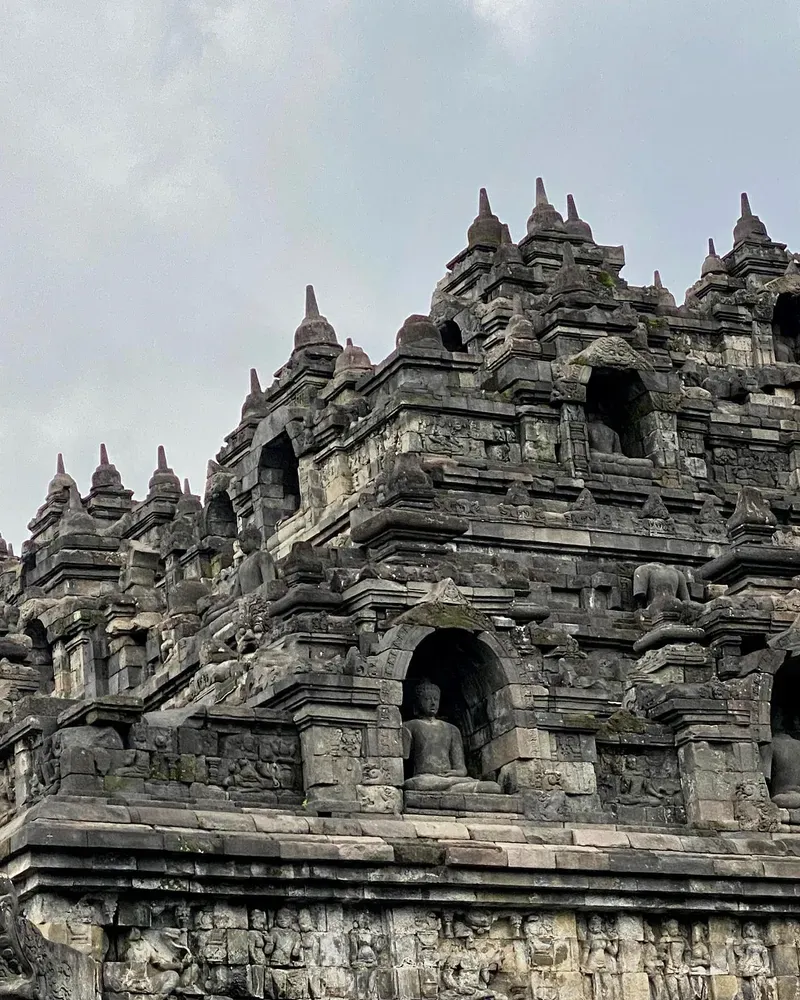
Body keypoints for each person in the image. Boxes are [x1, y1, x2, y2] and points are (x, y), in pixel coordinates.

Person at [402, 680, 501, 794]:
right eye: (427, 699)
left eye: (436, 699)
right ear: (418, 703)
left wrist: (456, 774)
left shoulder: (452, 729)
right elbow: (403, 760)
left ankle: (450, 788)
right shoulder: (410, 726)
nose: (433, 703)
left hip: (451, 780)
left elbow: (461, 769)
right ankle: (450, 788)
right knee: (414, 784)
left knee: (493, 787)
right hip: (425, 779)